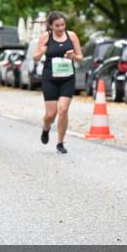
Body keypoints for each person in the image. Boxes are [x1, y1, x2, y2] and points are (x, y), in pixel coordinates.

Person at [34, 11, 83, 154]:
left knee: (63, 109)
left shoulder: (72, 36)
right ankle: (46, 128)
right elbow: (35, 58)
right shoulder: (46, 37)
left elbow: (80, 57)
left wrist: (73, 56)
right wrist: (42, 51)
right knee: (51, 114)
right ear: (51, 26)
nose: (61, 28)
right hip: (50, 79)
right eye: (57, 25)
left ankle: (60, 143)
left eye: (63, 25)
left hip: (67, 78)